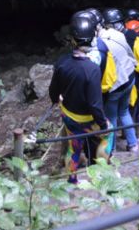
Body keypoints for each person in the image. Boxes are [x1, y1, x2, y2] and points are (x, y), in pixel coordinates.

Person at [48, 12, 110, 183]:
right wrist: (103, 124)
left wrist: (55, 100)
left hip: (68, 115)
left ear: (72, 40)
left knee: (73, 148)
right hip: (89, 120)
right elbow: (95, 103)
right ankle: (101, 173)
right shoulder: (92, 69)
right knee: (107, 135)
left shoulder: (62, 62)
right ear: (91, 40)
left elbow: (53, 91)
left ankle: (72, 180)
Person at [96, 8, 138, 153]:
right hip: (130, 76)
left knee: (111, 117)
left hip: (116, 85)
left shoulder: (98, 45)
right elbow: (128, 52)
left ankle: (111, 149)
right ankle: (133, 144)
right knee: (124, 112)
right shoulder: (117, 34)